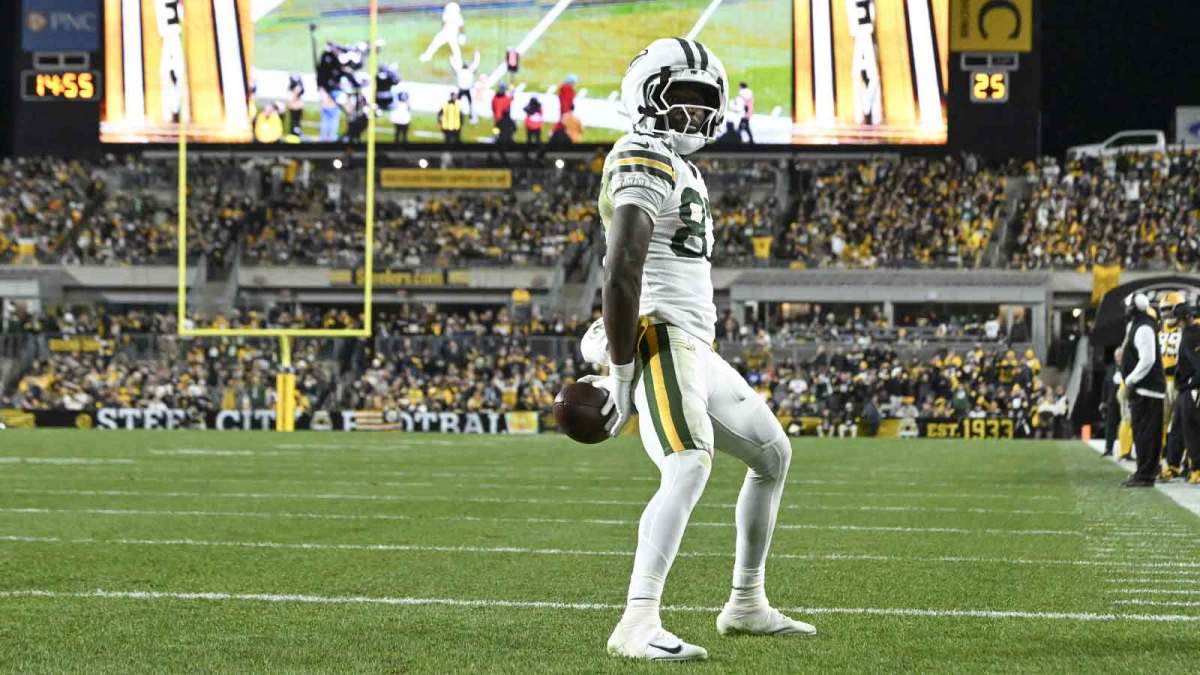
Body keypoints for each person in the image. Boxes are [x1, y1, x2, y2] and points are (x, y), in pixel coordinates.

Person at [579, 38, 813, 663]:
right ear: (646, 95)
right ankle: (636, 620)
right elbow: (623, 268)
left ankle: (745, 602)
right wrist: (624, 374)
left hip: (693, 343)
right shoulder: (642, 153)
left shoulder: (681, 165)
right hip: (660, 336)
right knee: (688, 464)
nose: (695, 113)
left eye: (704, 101)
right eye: (681, 96)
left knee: (773, 456)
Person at [1116, 293, 1165, 487]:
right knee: (1142, 433)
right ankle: (1143, 472)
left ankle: (1146, 475)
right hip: (1143, 389)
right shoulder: (1139, 324)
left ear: (1132, 308)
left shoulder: (1144, 327)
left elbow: (1148, 359)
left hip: (1148, 390)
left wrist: (1130, 380)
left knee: (1147, 434)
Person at [1157, 291, 1187, 479]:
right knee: (1160, 424)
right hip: (1162, 382)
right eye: (1163, 310)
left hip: (1182, 383)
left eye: (1169, 309)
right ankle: (1159, 461)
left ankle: (1183, 462)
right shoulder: (1157, 329)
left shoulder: (1189, 329)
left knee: (1183, 425)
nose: (1165, 314)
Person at [1172, 297, 1200, 483]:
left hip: (1191, 390)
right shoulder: (1193, 333)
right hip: (1187, 388)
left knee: (1191, 431)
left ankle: (1197, 469)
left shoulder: (1191, 336)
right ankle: (1177, 465)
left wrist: (1190, 384)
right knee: (1179, 429)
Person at [451, 51, 481, 123]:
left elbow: (453, 66)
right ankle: (471, 116)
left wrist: (451, 59)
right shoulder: (470, 71)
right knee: (470, 104)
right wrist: (477, 56)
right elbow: (476, 64)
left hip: (461, 90)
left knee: (457, 103)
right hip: (468, 90)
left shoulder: (460, 71)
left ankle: (456, 115)